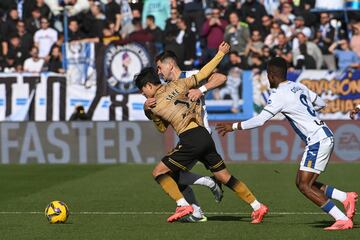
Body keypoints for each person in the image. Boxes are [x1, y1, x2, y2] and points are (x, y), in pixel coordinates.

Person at [216, 57, 357, 231]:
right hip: (324, 134)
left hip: (317, 140)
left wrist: (234, 126)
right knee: (303, 181)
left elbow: (261, 120)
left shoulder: (278, 95)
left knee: (305, 185)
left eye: (268, 75)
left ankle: (341, 219)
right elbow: (320, 103)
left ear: (272, 76)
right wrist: (305, 112)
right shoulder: (297, 86)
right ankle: (345, 197)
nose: (268, 79)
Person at [135, 42, 268, 223]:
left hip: (190, 139)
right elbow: (204, 73)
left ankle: (185, 205)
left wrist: (147, 110)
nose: (144, 96)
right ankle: (257, 206)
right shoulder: (180, 84)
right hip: (204, 135)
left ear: (149, 86)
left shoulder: (155, 103)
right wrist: (220, 53)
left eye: (143, 92)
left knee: (159, 173)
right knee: (224, 176)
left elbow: (161, 129)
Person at [146, 49, 224, 222]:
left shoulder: (192, 75)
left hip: (200, 134)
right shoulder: (168, 89)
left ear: (170, 65)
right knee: (174, 174)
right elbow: (162, 125)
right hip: (188, 136)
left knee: (169, 174)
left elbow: (221, 78)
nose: (158, 72)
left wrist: (201, 89)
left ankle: (207, 190)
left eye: (159, 68)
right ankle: (196, 211)